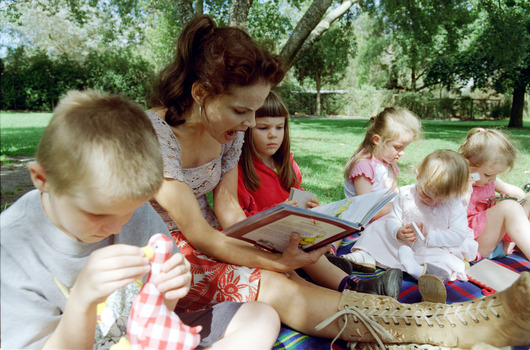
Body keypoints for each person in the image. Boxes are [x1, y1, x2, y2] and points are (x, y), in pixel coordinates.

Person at [145, 14, 530, 347]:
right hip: (164, 257)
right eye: (241, 111)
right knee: (280, 288)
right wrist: (277, 262)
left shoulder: (230, 130)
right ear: (200, 93)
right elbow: (199, 235)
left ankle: (439, 324)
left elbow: (227, 210)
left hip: (212, 243)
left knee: (294, 282)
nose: (249, 124)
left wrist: (274, 239)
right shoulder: (153, 135)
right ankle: (436, 329)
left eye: (254, 111)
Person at [0, 90, 281, 350]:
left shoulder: (136, 211)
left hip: (137, 337)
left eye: (128, 212)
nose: (116, 227)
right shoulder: (12, 251)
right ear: (42, 180)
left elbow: (155, 314)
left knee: (260, 316)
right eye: (96, 214)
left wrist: (167, 291)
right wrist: (82, 303)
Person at [342, 150, 479, 302]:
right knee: (376, 228)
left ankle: (419, 271)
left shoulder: (453, 204)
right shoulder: (406, 194)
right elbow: (392, 219)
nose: (431, 201)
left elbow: (458, 235)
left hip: (434, 248)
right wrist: (398, 231)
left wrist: (431, 236)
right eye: (426, 194)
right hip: (402, 244)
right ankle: (364, 255)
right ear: (419, 174)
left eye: (439, 199)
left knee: (448, 263)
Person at [331, 107, 422, 268]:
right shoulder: (364, 165)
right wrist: (398, 205)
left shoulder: (389, 164)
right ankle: (360, 255)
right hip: (362, 222)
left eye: (404, 148)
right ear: (377, 140)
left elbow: (394, 192)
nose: (402, 153)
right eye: (398, 147)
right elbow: (366, 210)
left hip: (383, 216)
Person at [237, 90, 319, 215]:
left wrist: (309, 206)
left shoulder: (288, 163)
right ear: (247, 130)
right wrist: (274, 213)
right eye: (263, 128)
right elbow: (237, 218)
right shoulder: (239, 171)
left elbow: (296, 194)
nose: (273, 135)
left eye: (279, 127)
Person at [459, 127, 530, 260]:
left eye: (496, 175)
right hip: (473, 245)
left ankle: (512, 245)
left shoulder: (489, 180)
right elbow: (456, 216)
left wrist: (500, 202)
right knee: (510, 207)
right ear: (468, 166)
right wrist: (467, 189)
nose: (492, 180)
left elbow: (519, 193)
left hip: (495, 240)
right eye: (488, 174)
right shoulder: (459, 182)